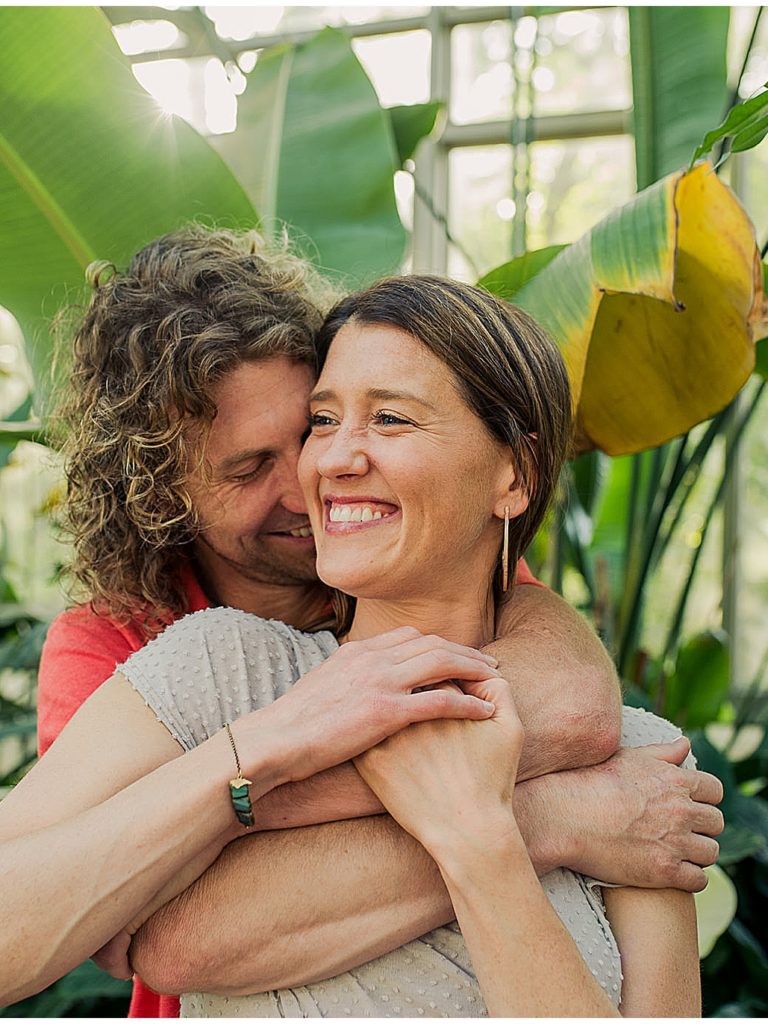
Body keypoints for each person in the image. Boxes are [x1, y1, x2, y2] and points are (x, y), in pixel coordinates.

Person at [28, 230, 715, 1014]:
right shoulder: (174, 658)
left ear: (512, 475)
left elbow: (574, 698)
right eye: (254, 467)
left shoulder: (625, 754)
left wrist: (455, 823)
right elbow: (154, 938)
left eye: (381, 419)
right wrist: (535, 816)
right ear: (163, 495)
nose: (314, 475)